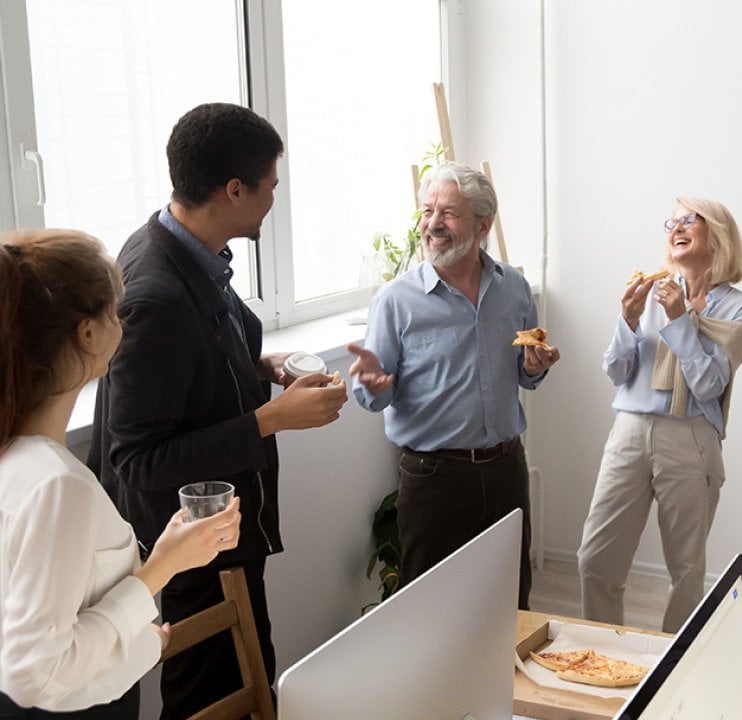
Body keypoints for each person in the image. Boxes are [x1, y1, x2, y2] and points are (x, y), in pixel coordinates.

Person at [89, 103, 348, 720]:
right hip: (190, 557)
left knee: (250, 685)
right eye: (270, 188)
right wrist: (272, 418)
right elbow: (138, 459)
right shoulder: (154, 293)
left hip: (220, 541)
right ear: (235, 190)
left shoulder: (190, 250)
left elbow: (196, 367)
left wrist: (264, 366)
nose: (273, 202)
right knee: (210, 701)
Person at [1, 230, 241, 718]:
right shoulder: (56, 484)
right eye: (116, 310)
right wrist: (160, 571)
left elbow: (48, 600)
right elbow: (32, 671)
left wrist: (135, 636)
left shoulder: (22, 459)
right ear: (88, 334)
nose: (124, 322)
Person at [348, 161, 559, 611]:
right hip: (433, 477)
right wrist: (373, 384)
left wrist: (536, 366)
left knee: (509, 599)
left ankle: (505, 681)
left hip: (506, 468)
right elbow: (373, 396)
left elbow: (526, 375)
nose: (432, 224)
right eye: (427, 212)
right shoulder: (395, 301)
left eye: (448, 213)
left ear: (483, 224)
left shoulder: (515, 288)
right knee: (430, 607)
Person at [577, 198, 742, 633]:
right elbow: (616, 371)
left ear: (717, 235)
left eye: (688, 220)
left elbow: (710, 385)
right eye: (671, 221)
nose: (675, 227)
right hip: (630, 430)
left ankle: (674, 669)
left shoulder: (737, 309)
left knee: (686, 569)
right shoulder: (649, 291)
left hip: (691, 438)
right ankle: (604, 654)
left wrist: (679, 319)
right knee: (595, 559)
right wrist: (629, 318)